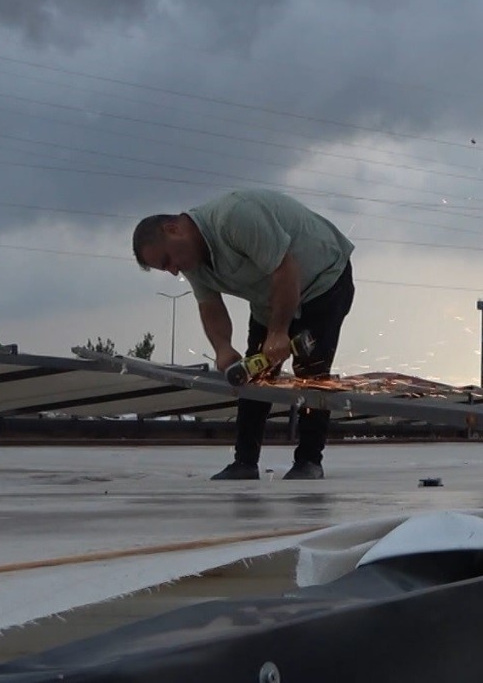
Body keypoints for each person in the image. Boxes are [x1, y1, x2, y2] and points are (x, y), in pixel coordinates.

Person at [133, 189, 354, 480]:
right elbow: (210, 305)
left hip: (324, 280)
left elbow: (286, 269)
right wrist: (223, 348)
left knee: (311, 372)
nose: (174, 271)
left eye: (167, 260)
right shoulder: (192, 261)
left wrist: (278, 332)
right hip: (271, 299)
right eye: (166, 268)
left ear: (173, 229)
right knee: (254, 375)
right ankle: (245, 462)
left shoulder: (235, 218)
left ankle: (309, 460)